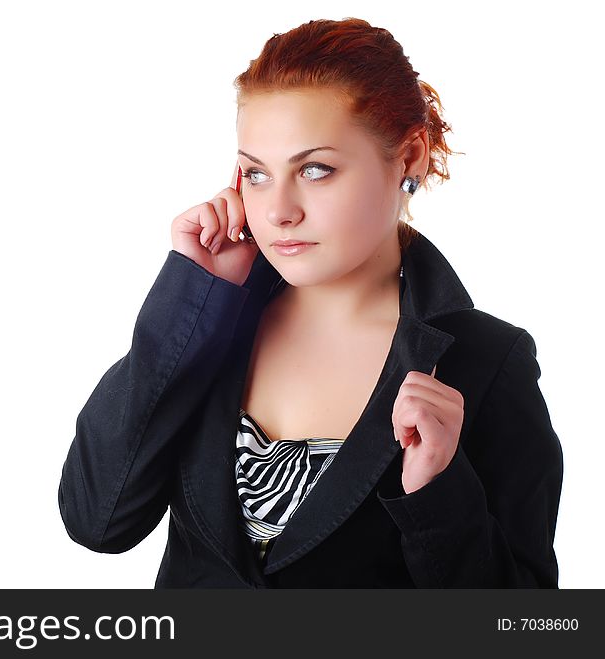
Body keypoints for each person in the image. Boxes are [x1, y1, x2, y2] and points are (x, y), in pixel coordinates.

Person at [58, 17, 563, 588]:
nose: (278, 211)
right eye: (256, 173)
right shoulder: (210, 322)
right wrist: (190, 300)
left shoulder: (487, 363)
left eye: (316, 170)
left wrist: (438, 493)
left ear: (411, 156)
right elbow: (96, 521)